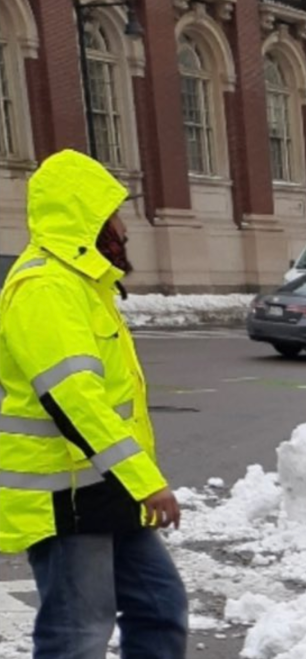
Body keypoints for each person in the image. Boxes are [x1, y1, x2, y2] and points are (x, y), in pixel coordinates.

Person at [0, 150, 188, 659]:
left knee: (159, 608)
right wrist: (145, 482)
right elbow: (73, 398)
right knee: (77, 636)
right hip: (67, 494)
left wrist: (132, 481)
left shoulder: (83, 286)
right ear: (87, 219)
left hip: (105, 486)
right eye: (115, 215)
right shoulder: (45, 287)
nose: (124, 228)